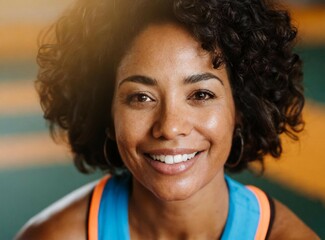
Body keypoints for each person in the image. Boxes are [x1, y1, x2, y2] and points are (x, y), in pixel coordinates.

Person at [16, 0, 319, 239]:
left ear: (241, 108)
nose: (170, 126)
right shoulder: (50, 236)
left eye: (201, 95)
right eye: (141, 97)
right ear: (105, 112)